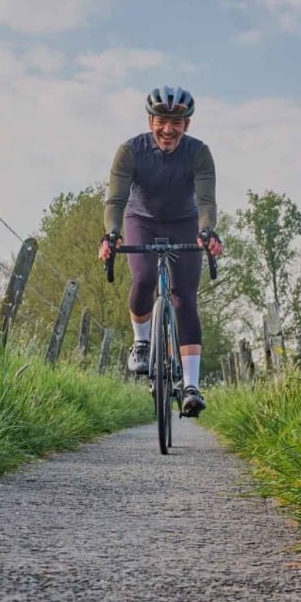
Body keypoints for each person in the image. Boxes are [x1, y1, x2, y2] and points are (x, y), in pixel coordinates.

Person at [98, 85, 224, 416]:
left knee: (185, 298)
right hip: (142, 219)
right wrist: (111, 234)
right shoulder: (130, 151)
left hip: (184, 221)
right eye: (161, 121)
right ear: (150, 119)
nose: (168, 130)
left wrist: (207, 230)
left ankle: (192, 386)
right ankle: (142, 341)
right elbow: (115, 200)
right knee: (142, 279)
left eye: (177, 122)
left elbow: (207, 201)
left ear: (187, 124)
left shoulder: (199, 153)